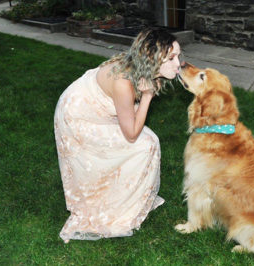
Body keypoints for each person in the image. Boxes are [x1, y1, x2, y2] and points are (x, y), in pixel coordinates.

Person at [54, 28, 181, 243]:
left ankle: (127, 197)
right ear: (151, 59)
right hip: (77, 117)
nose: (178, 63)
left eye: (178, 55)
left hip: (94, 109)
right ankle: (114, 206)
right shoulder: (124, 82)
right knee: (143, 144)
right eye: (171, 58)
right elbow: (131, 134)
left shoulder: (138, 67)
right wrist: (148, 96)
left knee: (148, 141)